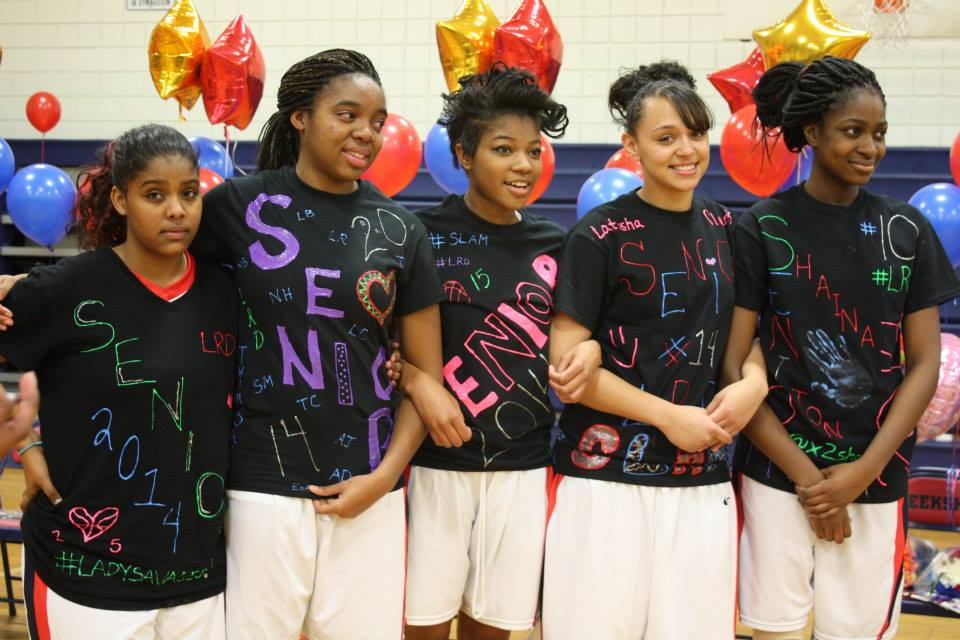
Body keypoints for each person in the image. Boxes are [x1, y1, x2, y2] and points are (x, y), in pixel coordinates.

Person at [189, 48, 451, 639]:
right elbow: (147, 278)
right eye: (348, 114)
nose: (367, 132)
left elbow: (424, 378)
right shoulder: (238, 206)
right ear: (301, 117)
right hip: (260, 480)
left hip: (368, 483)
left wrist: (384, 479)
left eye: (378, 120)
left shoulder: (401, 231)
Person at [727, 56, 960, 640]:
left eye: (879, 133)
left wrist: (863, 472)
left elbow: (925, 363)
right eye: (853, 131)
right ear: (812, 132)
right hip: (778, 473)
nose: (870, 147)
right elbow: (734, 363)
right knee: (773, 629)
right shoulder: (759, 226)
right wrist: (809, 480)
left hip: (875, 475)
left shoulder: (906, 230)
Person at [541, 61, 768, 639]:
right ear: (631, 146)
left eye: (695, 134)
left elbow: (747, 339)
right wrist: (669, 417)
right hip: (605, 482)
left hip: (701, 482)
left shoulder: (726, 227)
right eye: (666, 138)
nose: (685, 149)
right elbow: (568, 369)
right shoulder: (598, 234)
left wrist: (755, 382)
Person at [0, 124, 238, 639]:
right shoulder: (68, 287)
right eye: (155, 195)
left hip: (197, 578)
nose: (176, 209)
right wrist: (27, 442)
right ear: (120, 199)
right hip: (83, 575)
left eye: (189, 193)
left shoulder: (227, 293)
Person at [396, 64, 590, 640]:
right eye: (505, 150)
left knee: (495, 628)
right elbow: (380, 345)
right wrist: (414, 378)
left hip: (523, 465)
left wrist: (593, 353)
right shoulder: (418, 234)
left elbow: (577, 336)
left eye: (533, 151)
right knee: (422, 625)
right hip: (433, 465)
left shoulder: (555, 244)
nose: (524, 165)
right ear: (463, 153)